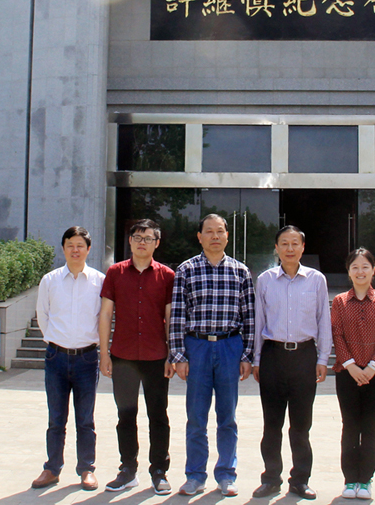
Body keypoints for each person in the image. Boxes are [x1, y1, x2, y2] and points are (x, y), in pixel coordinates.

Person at [169, 214, 256, 497]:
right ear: (200, 236)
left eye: (220, 231)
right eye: (209, 231)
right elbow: (178, 315)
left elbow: (249, 317)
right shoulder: (186, 270)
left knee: (227, 416)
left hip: (230, 346)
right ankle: (195, 475)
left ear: (227, 236)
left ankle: (227, 475)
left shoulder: (241, 271)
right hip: (197, 347)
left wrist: (247, 355)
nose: (215, 236)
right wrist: (178, 355)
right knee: (196, 416)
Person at [251, 226, 333, 500]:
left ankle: (300, 480)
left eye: (294, 243)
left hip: (304, 356)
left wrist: (323, 358)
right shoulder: (265, 280)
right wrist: (257, 359)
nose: (289, 248)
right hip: (273, 356)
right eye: (284, 243)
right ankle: (271, 479)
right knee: (271, 425)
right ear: (276, 248)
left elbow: (324, 320)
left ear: (302, 247)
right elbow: (259, 321)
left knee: (300, 426)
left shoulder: (316, 280)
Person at [99, 219, 175, 495]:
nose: (143, 242)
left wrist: (172, 354)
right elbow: (106, 313)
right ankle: (128, 469)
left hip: (156, 356)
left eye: (148, 238)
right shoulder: (115, 273)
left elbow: (170, 317)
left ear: (157, 243)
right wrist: (104, 353)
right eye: (138, 237)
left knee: (158, 416)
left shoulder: (167, 276)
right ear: (130, 241)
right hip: (123, 356)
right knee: (126, 415)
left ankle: (159, 471)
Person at [32, 226, 103, 491]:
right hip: (56, 358)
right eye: (70, 245)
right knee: (56, 419)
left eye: (80, 245)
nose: (75, 250)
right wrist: (55, 340)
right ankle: (52, 469)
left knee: (85, 419)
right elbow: (43, 315)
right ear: (63, 248)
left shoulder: (99, 281)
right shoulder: (50, 280)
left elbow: (104, 317)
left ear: (88, 249)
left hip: (87, 358)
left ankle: (86, 469)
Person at [331, 248, 375, 501]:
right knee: (349, 426)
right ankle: (350, 480)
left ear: (373, 270)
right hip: (347, 373)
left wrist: (372, 367)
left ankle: (366, 479)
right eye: (355, 267)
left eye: (365, 266)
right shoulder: (339, 301)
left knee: (370, 427)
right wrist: (351, 366)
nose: (360, 272)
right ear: (349, 272)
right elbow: (337, 334)